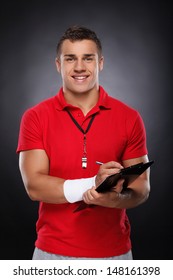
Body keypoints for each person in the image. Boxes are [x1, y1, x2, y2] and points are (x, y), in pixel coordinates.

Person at [16, 25, 151, 260]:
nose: (79, 67)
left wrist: (115, 199)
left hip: (114, 255)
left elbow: (141, 188)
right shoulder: (35, 116)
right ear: (58, 65)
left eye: (88, 58)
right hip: (52, 254)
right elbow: (34, 186)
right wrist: (93, 184)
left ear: (100, 63)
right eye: (70, 59)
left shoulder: (129, 117)